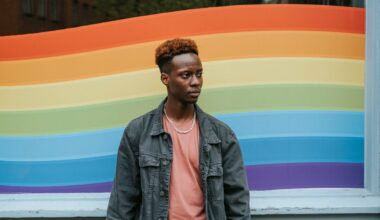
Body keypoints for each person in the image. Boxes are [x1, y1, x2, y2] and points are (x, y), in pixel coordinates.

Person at [107, 38, 250, 220]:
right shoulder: (138, 132)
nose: (196, 82)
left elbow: (237, 200)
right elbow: (123, 201)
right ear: (165, 79)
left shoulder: (221, 135)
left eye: (199, 74)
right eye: (186, 75)